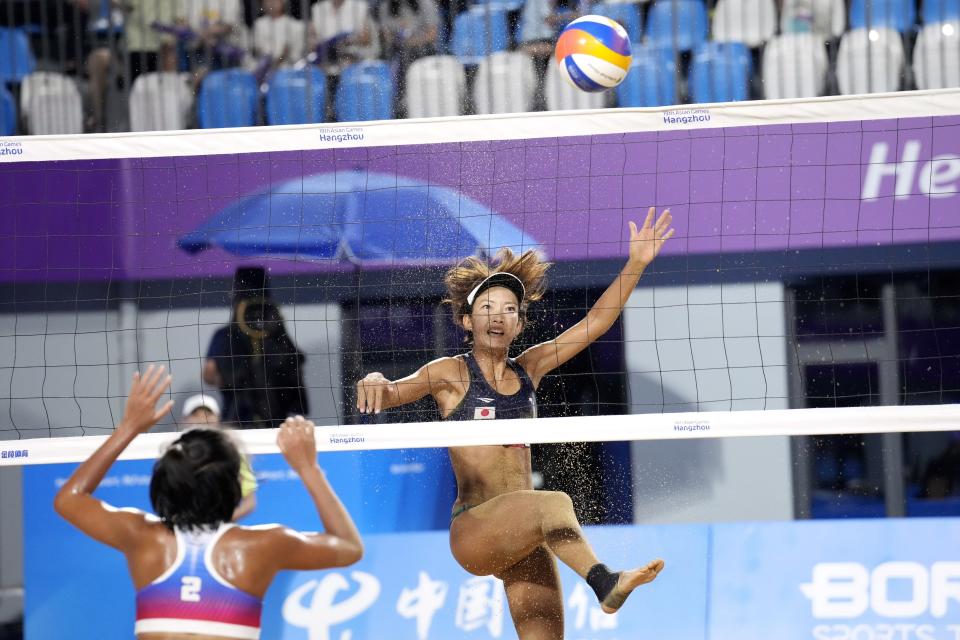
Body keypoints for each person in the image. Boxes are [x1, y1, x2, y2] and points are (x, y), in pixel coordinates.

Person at [356, 207, 673, 638]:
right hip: (475, 527)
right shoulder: (451, 372)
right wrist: (376, 379)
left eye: (510, 309)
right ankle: (604, 581)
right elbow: (394, 390)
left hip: (522, 530)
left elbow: (596, 323)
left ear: (520, 325)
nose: (499, 315)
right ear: (467, 322)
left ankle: (602, 582)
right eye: (487, 307)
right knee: (554, 502)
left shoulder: (530, 368)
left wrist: (635, 263)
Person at [55, 365, 363, 640]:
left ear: (166, 482)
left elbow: (69, 498)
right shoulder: (260, 546)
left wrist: (129, 428)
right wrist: (308, 468)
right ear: (233, 486)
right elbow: (349, 547)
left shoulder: (144, 538)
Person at [203, 267, 310, 429]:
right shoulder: (277, 332)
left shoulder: (226, 335)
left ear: (235, 292)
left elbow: (209, 375)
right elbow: (295, 366)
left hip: (241, 420)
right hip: (271, 420)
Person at [181, 393, 258, 519]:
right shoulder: (174, 454)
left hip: (222, 529)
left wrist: (220, 524)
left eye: (208, 413)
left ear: (218, 418)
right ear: (184, 420)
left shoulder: (234, 453)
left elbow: (250, 503)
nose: (202, 418)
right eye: (196, 414)